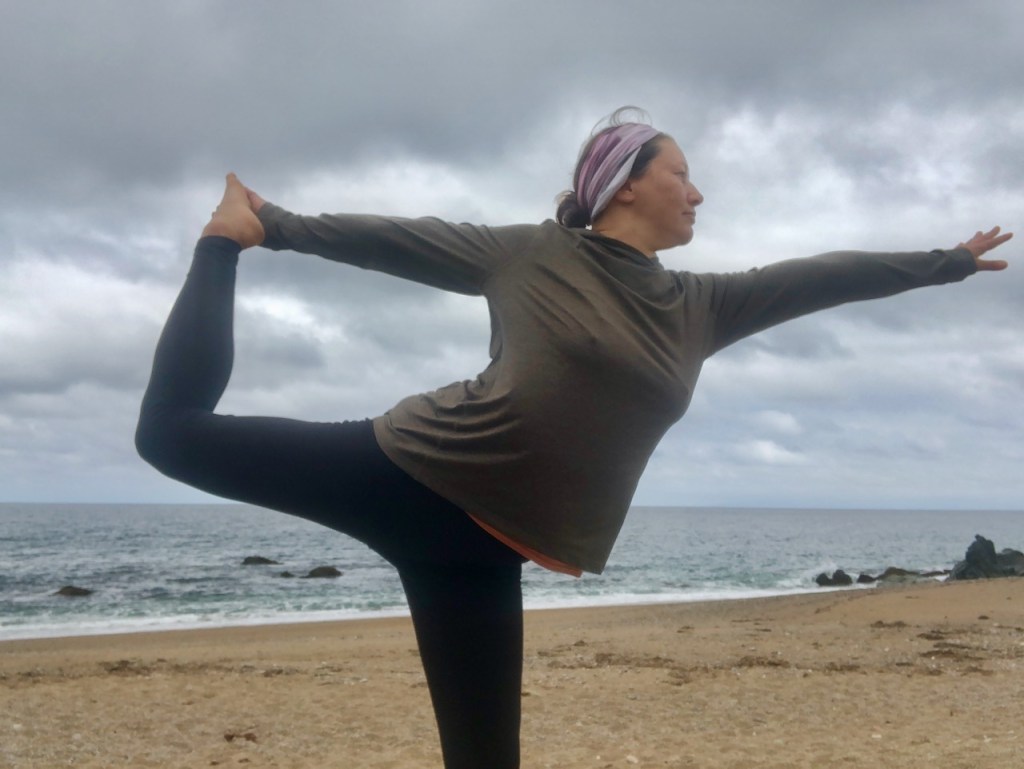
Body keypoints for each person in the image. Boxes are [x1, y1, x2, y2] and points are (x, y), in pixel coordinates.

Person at [136, 108, 1011, 769]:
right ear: (627, 182)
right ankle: (224, 238)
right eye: (684, 173)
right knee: (171, 435)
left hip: (484, 554)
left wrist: (944, 262)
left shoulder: (701, 306)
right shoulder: (531, 255)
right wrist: (272, 226)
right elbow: (396, 240)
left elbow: (818, 278)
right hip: (406, 471)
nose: (699, 192)